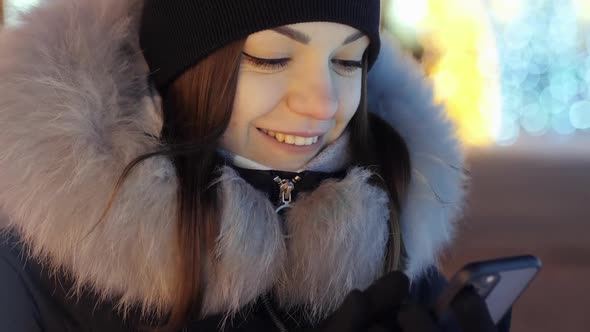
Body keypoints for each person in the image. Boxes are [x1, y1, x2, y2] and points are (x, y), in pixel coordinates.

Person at [0, 0, 511, 331]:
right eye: (271, 58)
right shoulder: (30, 270)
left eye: (347, 62)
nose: (323, 103)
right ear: (185, 68)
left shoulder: (387, 232)